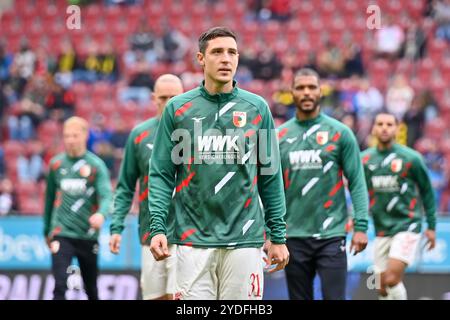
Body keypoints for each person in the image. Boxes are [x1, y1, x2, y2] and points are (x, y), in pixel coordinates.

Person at [148, 26, 289, 300]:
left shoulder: (257, 108)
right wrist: (157, 228)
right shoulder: (178, 109)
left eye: (232, 52)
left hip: (245, 239)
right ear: (201, 58)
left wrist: (278, 235)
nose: (226, 59)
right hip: (192, 240)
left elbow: (270, 176)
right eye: (217, 52)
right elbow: (162, 174)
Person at [277, 68, 369, 300]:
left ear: (321, 92)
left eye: (312, 87)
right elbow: (269, 189)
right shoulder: (278, 136)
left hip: (332, 234)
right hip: (293, 235)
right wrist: (271, 232)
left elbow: (357, 182)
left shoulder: (340, 133)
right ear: (292, 93)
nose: (306, 93)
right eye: (300, 88)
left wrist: (361, 226)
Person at [109, 74, 184, 300]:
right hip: (151, 232)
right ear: (154, 98)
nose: (169, 102)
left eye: (175, 97)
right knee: (155, 297)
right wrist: (116, 227)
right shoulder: (140, 135)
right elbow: (125, 186)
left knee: (179, 297)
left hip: (186, 233)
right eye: (163, 97)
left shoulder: (195, 133)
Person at [361, 112, 437, 300]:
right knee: (379, 285)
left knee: (392, 278)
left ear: (397, 129)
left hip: (407, 225)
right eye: (380, 124)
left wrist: (432, 226)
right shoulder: (364, 159)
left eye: (389, 124)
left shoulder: (411, 158)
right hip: (381, 228)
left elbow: (427, 191)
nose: (384, 128)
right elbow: (358, 193)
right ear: (373, 128)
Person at [43, 116, 113, 300]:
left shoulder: (96, 165)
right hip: (62, 232)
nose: (70, 140)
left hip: (87, 234)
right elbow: (49, 199)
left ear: (84, 136)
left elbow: (106, 196)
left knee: (91, 288)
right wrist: (46, 231)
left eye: (74, 135)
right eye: (66, 136)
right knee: (59, 285)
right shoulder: (56, 165)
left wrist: (101, 214)